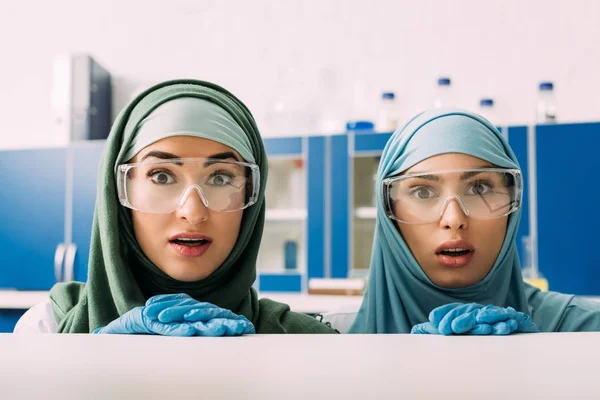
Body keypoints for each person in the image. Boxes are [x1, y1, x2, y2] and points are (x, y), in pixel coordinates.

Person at [14, 79, 337, 335]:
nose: (193, 212)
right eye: (162, 176)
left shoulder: (303, 342)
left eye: (221, 178)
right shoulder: (49, 327)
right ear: (117, 194)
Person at [331, 108, 600, 334]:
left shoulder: (583, 327)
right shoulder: (331, 338)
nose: (454, 220)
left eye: (479, 188)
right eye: (423, 192)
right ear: (387, 210)